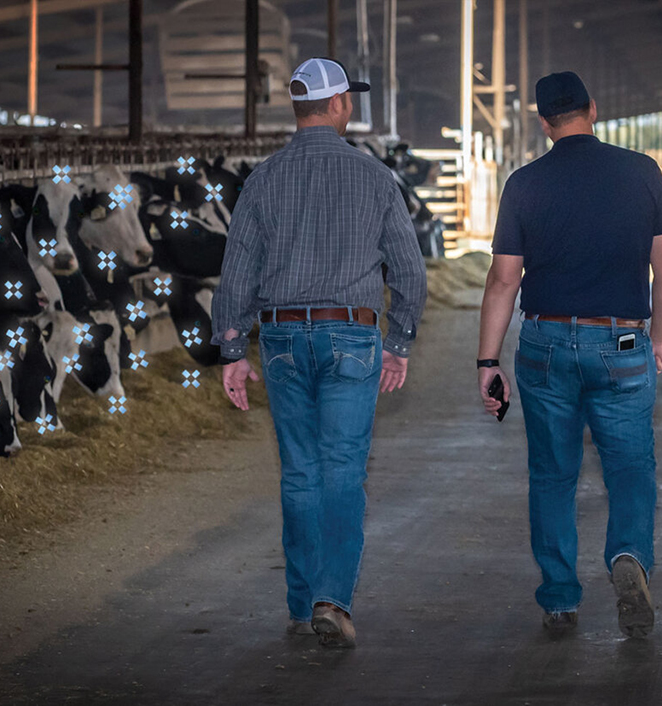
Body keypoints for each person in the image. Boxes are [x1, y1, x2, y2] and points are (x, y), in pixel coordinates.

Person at [210, 57, 428, 648]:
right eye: (348, 99)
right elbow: (410, 270)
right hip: (353, 335)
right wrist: (400, 341)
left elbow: (236, 274)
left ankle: (303, 603)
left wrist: (232, 349)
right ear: (337, 106)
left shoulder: (262, 179)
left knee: (300, 471)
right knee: (343, 471)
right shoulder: (376, 177)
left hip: (280, 337)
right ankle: (334, 599)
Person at [475, 71, 662, 638]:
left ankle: (561, 599)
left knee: (552, 473)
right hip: (620, 339)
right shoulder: (642, 173)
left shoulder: (524, 184)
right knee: (631, 466)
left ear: (543, 122)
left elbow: (502, 281)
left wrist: (487, 362)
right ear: (594, 108)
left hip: (544, 344)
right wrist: (660, 337)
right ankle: (629, 557)